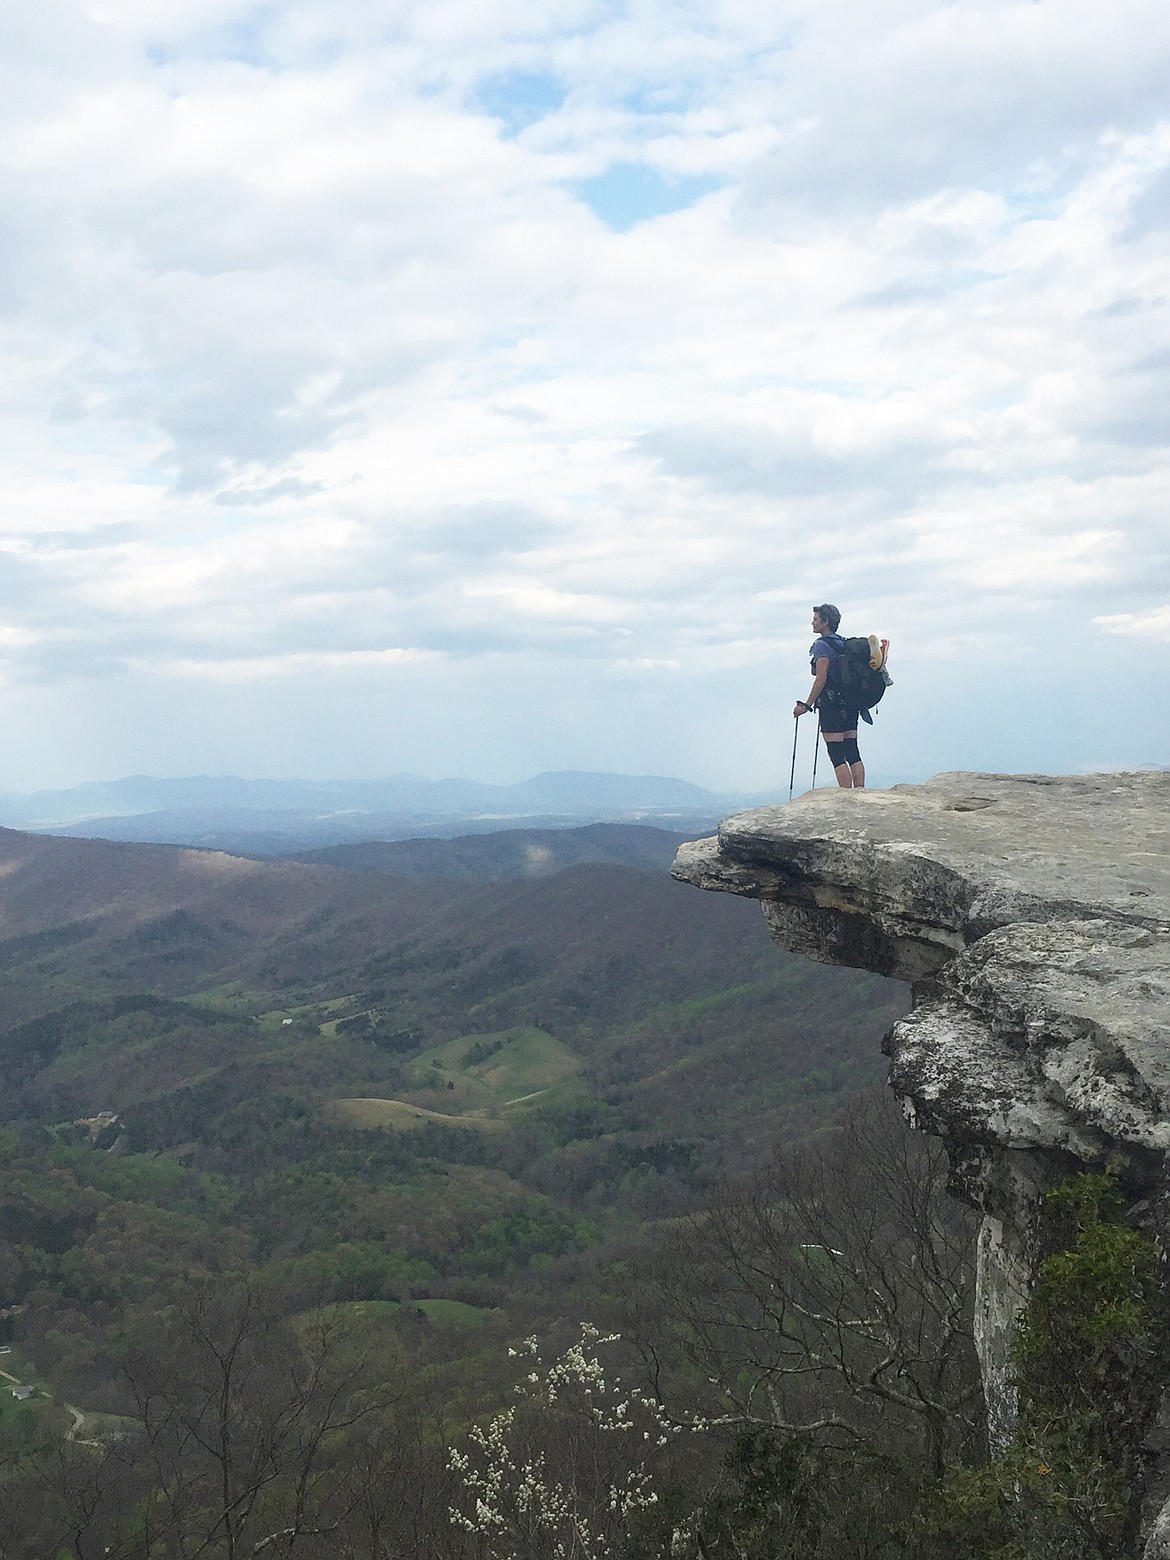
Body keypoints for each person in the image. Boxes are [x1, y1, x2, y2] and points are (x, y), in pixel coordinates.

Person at [792, 603, 865, 789]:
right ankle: (861, 793)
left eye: (816, 620)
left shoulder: (822, 646)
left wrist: (807, 705)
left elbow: (821, 678)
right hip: (851, 702)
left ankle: (848, 798)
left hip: (832, 705)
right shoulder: (845, 643)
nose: (812, 623)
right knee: (852, 750)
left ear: (826, 622)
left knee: (836, 753)